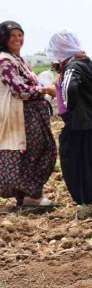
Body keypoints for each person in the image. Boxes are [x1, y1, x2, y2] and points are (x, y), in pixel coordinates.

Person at [48, 31, 92, 213]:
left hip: (80, 123)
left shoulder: (73, 66)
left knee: (77, 162)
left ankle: (89, 201)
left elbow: (70, 87)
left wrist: (70, 109)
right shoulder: (85, 62)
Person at [0, 21, 57, 207]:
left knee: (38, 151)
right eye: (13, 36)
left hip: (31, 115)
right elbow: (18, 89)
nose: (17, 39)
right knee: (29, 153)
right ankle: (32, 196)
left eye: (20, 35)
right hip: (21, 115)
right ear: (4, 38)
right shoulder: (4, 61)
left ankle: (28, 196)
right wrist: (43, 90)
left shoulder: (18, 59)